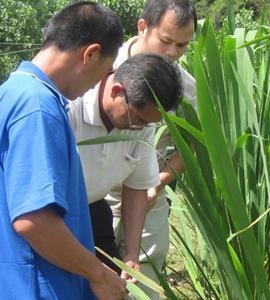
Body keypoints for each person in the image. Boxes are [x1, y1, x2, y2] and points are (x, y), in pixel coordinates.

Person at [0, 2, 127, 299]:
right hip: (35, 286)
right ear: (91, 53)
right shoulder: (37, 107)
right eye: (105, 72)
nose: (99, 85)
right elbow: (34, 221)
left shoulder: (12, 92)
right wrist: (99, 274)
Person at [106, 0, 197, 297]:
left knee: (143, 281)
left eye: (182, 45)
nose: (173, 53)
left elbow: (194, 145)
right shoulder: (106, 65)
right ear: (143, 27)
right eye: (167, 41)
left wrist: (159, 182)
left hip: (148, 197)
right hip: (97, 195)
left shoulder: (184, 87)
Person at [68, 54, 183, 284]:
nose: (139, 127)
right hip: (53, 214)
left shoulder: (142, 123)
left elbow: (137, 185)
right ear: (116, 91)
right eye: (137, 118)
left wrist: (131, 253)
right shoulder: (71, 107)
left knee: (114, 286)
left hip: (93, 212)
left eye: (148, 123)